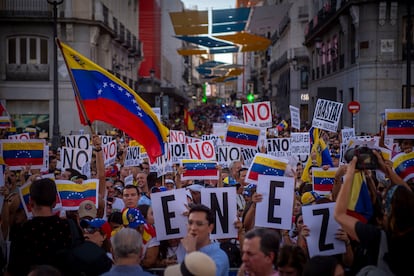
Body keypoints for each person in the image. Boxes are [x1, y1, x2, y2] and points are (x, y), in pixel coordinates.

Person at [334, 153, 414, 275]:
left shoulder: (377, 237)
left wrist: (349, 175)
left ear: (387, 212)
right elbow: (409, 196)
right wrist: (386, 170)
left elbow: (339, 214)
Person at [7, 178, 72, 276]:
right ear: (55, 202)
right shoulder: (68, 226)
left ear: (31, 201)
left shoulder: (23, 230)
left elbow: (13, 269)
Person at [177, 204, 229, 276]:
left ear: (210, 228)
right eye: (190, 223)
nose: (193, 228)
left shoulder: (219, 256)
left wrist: (191, 254)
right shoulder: (185, 249)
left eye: (199, 224)